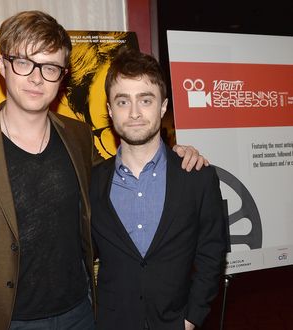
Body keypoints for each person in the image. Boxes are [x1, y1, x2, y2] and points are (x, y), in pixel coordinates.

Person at [0, 10, 208, 330]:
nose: (37, 78)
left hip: (81, 313)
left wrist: (173, 156)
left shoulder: (77, 136)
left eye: (49, 66)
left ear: (62, 75)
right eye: (24, 62)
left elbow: (123, 174)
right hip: (9, 320)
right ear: (1, 65)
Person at [90, 48, 227, 330]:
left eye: (146, 99)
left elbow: (212, 253)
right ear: (110, 110)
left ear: (163, 107)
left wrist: (191, 318)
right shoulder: (91, 182)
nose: (135, 113)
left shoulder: (197, 177)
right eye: (123, 101)